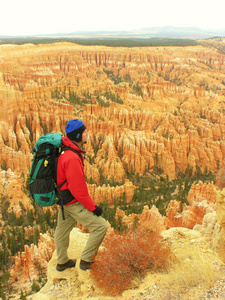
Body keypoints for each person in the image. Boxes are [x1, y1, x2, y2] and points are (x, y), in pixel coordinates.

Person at [54, 118, 108, 271]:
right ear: (78, 136)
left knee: (62, 230)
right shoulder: (71, 157)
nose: (87, 134)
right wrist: (93, 208)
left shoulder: (65, 150)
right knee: (101, 226)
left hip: (64, 200)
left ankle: (62, 262)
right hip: (72, 202)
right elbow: (78, 189)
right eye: (85, 132)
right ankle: (86, 260)